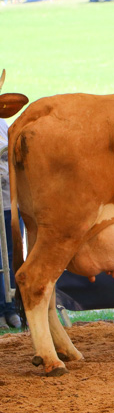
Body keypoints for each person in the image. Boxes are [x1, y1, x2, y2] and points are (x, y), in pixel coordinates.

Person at [0, 120, 21, 330]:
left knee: (14, 255)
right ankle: (1, 310)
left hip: (10, 201)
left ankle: (12, 308)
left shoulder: (4, 125)